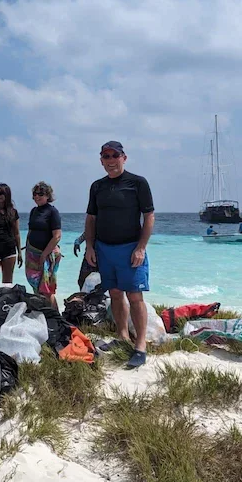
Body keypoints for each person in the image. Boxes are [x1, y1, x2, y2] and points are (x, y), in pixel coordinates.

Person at [84, 141, 155, 369]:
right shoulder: (97, 187)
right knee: (115, 294)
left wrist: (141, 247)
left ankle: (140, 346)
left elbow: (149, 216)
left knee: (135, 296)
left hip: (130, 248)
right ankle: (122, 337)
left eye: (115, 155)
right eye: (106, 156)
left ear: (124, 157)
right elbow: (91, 218)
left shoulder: (138, 183)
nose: (110, 160)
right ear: (101, 160)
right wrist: (90, 247)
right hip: (104, 248)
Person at [25, 182, 63, 309]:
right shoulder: (34, 211)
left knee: (47, 290)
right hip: (32, 254)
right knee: (36, 287)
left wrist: (44, 254)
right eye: (35, 194)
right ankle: (43, 315)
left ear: (48, 195)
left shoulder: (52, 212)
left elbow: (57, 236)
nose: (37, 197)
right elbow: (31, 231)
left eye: (40, 194)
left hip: (47, 255)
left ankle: (56, 317)